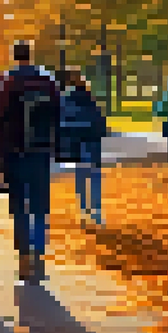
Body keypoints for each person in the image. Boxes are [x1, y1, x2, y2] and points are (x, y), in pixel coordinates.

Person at [0, 41, 61, 282]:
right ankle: (39, 254)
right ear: (31, 55)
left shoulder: (9, 81)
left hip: (15, 151)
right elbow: (57, 116)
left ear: (14, 56)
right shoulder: (47, 80)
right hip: (41, 151)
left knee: (20, 206)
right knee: (40, 205)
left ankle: (24, 257)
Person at [59, 69, 107, 226]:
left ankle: (84, 207)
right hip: (92, 140)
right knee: (94, 175)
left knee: (81, 174)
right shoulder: (90, 98)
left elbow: (62, 122)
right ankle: (96, 210)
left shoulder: (65, 99)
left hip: (77, 141)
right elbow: (100, 121)